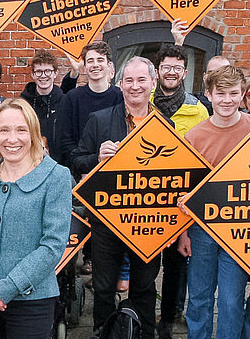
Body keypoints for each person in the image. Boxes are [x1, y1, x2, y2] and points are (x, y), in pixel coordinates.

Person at [0, 98, 71, 339]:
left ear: (34, 134)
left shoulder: (56, 177)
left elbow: (52, 245)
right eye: (4, 130)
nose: (12, 139)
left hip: (32, 302)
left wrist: (6, 288)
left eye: (21, 130)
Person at [71, 57, 162, 339]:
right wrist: (97, 158)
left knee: (145, 286)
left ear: (153, 83)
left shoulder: (164, 125)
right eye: (129, 81)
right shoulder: (98, 120)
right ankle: (103, 332)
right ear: (120, 84)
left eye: (141, 80)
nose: (135, 87)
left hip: (147, 221)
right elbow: (76, 161)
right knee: (104, 285)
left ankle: (145, 333)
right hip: (107, 220)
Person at [177, 65, 250, 339]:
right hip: (201, 230)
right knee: (198, 297)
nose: (227, 100)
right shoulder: (194, 136)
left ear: (243, 95)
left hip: (237, 228)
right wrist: (183, 232)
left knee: (231, 300)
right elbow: (185, 191)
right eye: (221, 93)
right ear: (208, 94)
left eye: (234, 93)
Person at [152, 44, 208, 338]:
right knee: (146, 258)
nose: (171, 72)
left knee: (176, 261)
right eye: (166, 67)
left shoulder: (198, 109)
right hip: (146, 194)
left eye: (177, 67)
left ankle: (169, 317)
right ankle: (146, 312)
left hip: (181, 197)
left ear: (184, 72)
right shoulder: (144, 100)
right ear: (158, 70)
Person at [58, 41, 123, 288]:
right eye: (90, 61)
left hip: (114, 174)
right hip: (81, 171)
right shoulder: (73, 98)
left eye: (100, 61)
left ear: (109, 67)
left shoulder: (120, 96)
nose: (95, 66)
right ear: (84, 66)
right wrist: (81, 168)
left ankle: (105, 273)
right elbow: (66, 139)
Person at [20, 50, 64, 163]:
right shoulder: (23, 103)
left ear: (55, 73)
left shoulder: (64, 102)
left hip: (59, 164)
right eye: (39, 71)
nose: (43, 76)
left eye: (48, 71)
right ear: (33, 74)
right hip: (28, 162)